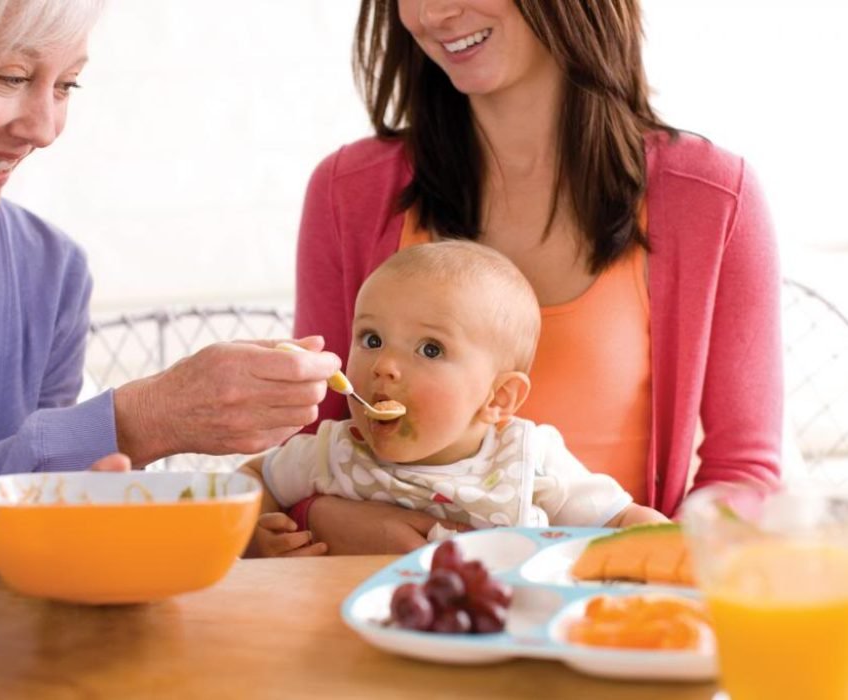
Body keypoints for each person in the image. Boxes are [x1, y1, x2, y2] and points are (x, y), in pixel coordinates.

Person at [291, 0, 782, 551]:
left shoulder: (713, 197)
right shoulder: (349, 191)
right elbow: (306, 442)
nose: (433, 13)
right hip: (390, 604)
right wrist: (322, 516)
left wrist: (660, 565)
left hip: (611, 613)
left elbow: (744, 474)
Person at [0, 0, 341, 494]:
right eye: (10, 76)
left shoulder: (50, 272)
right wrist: (137, 422)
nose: (44, 129)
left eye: (66, 85)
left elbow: (49, 512)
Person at [246, 241, 666, 557]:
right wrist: (255, 535)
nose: (384, 366)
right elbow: (253, 479)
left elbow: (622, 520)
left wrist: (671, 547)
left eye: (430, 349)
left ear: (498, 397)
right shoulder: (330, 452)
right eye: (371, 339)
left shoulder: (529, 459)